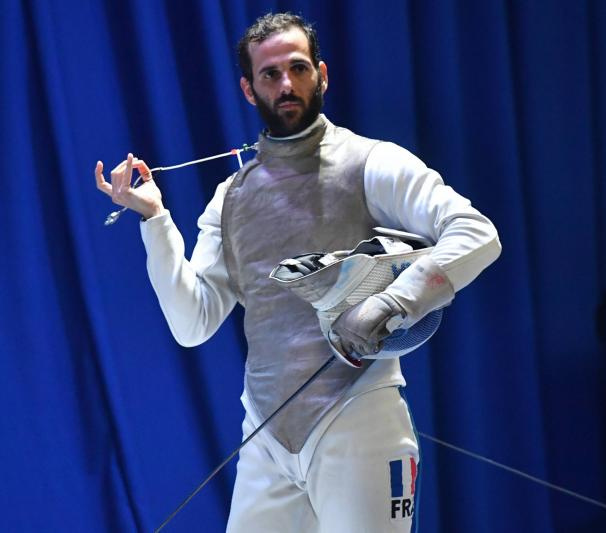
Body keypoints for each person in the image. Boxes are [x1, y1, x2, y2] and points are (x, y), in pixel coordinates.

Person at [95, 12, 501, 533]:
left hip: (359, 418)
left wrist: (393, 302)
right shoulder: (231, 198)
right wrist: (155, 219)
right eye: (270, 74)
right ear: (248, 89)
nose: (286, 84)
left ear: (321, 74)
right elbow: (191, 323)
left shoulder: (371, 163)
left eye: (298, 68)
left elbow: (476, 233)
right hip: (265, 432)